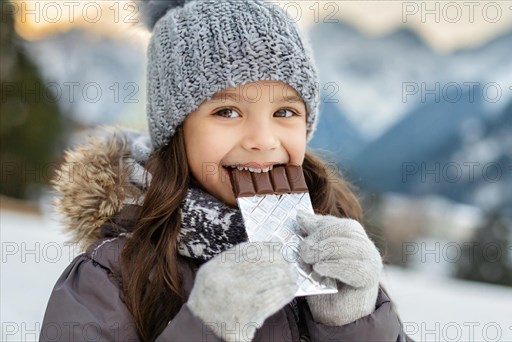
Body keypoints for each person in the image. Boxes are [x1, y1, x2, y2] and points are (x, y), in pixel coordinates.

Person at [40, 0, 411, 341]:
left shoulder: (326, 253)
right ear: (176, 131)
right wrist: (206, 328)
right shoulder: (110, 275)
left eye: (285, 112)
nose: (263, 140)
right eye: (227, 112)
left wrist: (353, 323)